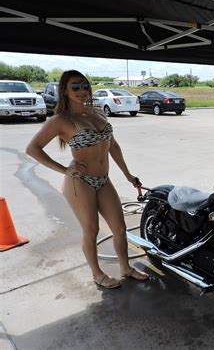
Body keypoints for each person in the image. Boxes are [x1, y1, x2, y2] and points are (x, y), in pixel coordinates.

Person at [26, 70, 149, 289]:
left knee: (119, 228)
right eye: (75, 87)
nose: (82, 91)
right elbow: (32, 149)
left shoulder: (99, 111)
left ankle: (125, 268)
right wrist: (64, 169)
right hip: (80, 183)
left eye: (85, 86)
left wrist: (128, 174)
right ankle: (97, 273)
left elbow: (114, 146)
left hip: (104, 180)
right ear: (64, 90)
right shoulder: (60, 120)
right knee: (91, 230)